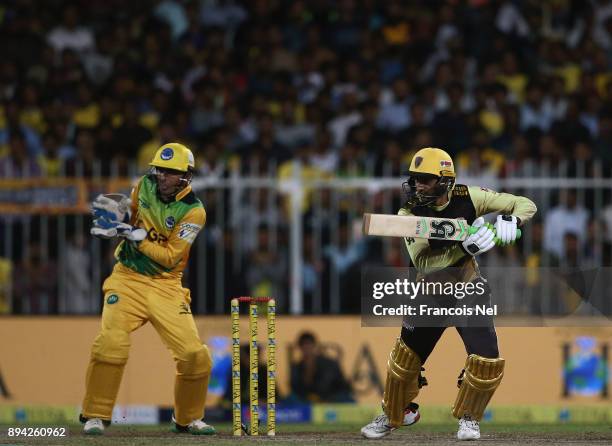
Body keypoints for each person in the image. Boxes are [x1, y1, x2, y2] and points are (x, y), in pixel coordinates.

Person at [361, 147, 536, 441]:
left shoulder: (470, 197)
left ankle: (470, 419)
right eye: (415, 179)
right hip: (430, 293)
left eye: (425, 179)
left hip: (469, 288)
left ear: (444, 180)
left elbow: (525, 203)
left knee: (486, 361)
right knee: (404, 362)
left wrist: (513, 222)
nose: (418, 185)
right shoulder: (409, 212)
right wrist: (464, 248)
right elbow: (423, 262)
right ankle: (394, 415)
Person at [80, 143, 216, 436]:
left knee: (195, 354)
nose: (162, 176)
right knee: (111, 342)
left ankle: (188, 419)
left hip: (166, 286)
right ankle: (95, 415)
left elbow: (169, 257)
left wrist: (134, 237)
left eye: (170, 172)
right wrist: (111, 215)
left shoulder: (194, 211)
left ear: (186, 176)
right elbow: (125, 209)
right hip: (127, 279)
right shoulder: (143, 185)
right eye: (160, 170)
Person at [290, 331, 354, 403]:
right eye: (303, 345)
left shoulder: (329, 364)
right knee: (291, 400)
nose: (306, 348)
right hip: (308, 400)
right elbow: (295, 389)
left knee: (347, 399)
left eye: (309, 345)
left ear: (314, 346)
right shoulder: (297, 367)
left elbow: (337, 385)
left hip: (332, 398)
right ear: (300, 348)